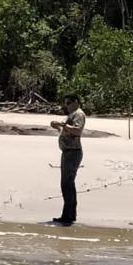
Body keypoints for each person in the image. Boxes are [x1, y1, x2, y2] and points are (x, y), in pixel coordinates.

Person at [50, 94, 85, 226]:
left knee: (67, 184)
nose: (67, 105)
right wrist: (58, 126)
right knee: (68, 184)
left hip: (73, 152)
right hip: (68, 152)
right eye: (66, 103)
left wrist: (62, 124)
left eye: (69, 103)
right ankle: (70, 214)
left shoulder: (78, 114)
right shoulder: (72, 114)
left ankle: (68, 216)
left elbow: (77, 131)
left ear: (76, 102)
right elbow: (67, 130)